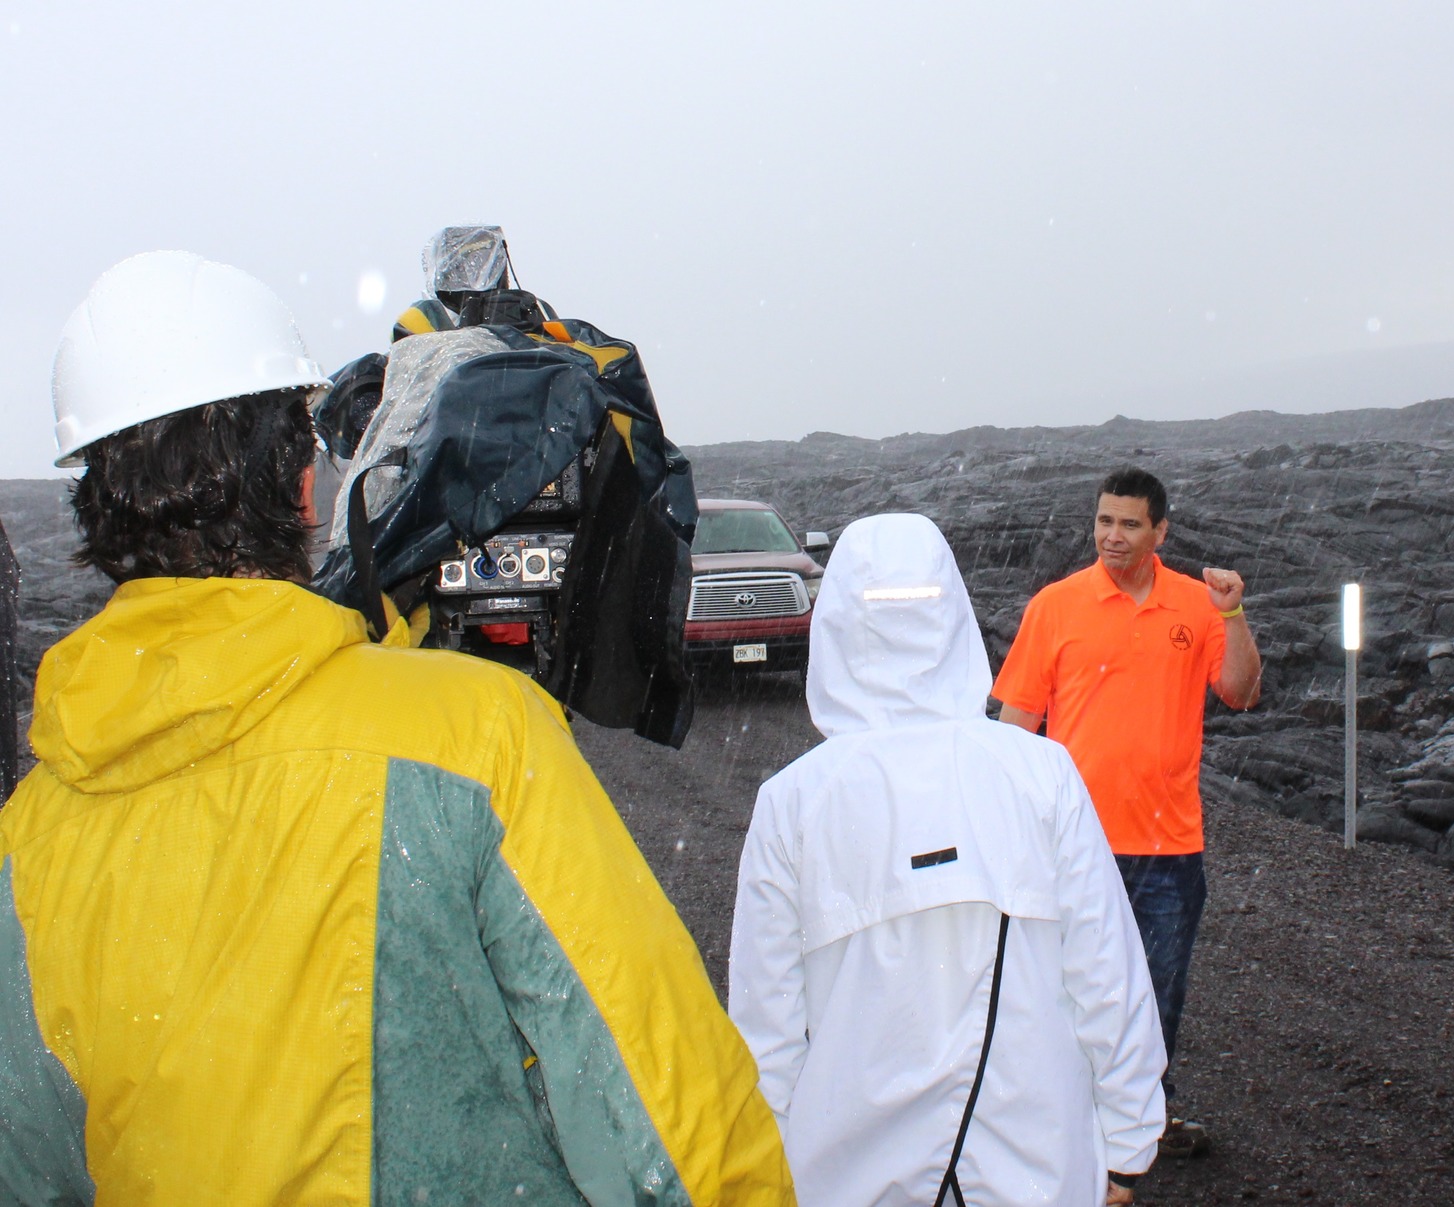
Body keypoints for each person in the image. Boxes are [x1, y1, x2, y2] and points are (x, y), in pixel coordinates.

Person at [0, 251, 792, 1204]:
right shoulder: (478, 737)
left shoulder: (27, 843)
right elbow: (673, 1128)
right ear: (303, 483)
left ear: (93, 504)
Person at [729, 513, 1167, 1206]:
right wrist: (1129, 1138)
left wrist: (768, 1164)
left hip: (850, 1168)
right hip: (1033, 1160)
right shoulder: (1039, 773)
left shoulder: (795, 802)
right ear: (954, 615)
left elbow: (766, 1023)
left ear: (835, 623)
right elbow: (1106, 968)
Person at [992, 467, 1263, 1157]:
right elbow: (1016, 724)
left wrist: (1232, 614)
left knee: (1155, 996)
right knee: (1063, 993)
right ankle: (1066, 1124)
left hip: (1169, 846)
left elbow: (1240, 693)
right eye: (1104, 521)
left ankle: (1143, 1124)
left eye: (1129, 524)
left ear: (1160, 531)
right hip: (1073, 844)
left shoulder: (1197, 604)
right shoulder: (1055, 605)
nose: (1112, 536)